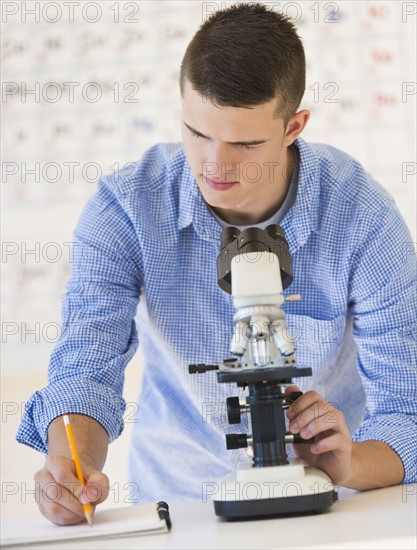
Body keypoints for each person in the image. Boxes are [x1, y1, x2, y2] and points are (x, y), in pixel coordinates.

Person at [17, 3, 416, 526]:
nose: (214, 164)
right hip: (179, 502)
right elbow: (86, 367)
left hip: (334, 500)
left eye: (245, 143)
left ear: (293, 126)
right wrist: (72, 464)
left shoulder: (361, 216)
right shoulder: (127, 208)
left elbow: (406, 407)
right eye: (197, 132)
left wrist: (350, 461)